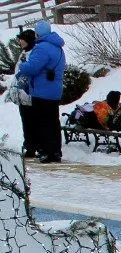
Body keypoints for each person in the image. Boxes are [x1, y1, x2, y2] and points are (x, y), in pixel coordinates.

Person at [18, 20, 65, 164]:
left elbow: (32, 68)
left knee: (42, 122)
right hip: (55, 90)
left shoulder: (42, 48)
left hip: (42, 91)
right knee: (53, 122)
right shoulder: (58, 47)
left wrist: (23, 65)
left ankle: (47, 152)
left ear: (38, 33)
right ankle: (56, 151)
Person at [13, 30, 38, 158]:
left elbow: (29, 70)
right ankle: (29, 145)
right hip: (22, 94)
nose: (20, 41)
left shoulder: (34, 53)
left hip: (31, 93)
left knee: (33, 121)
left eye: (22, 39)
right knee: (26, 121)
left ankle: (33, 147)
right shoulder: (23, 53)